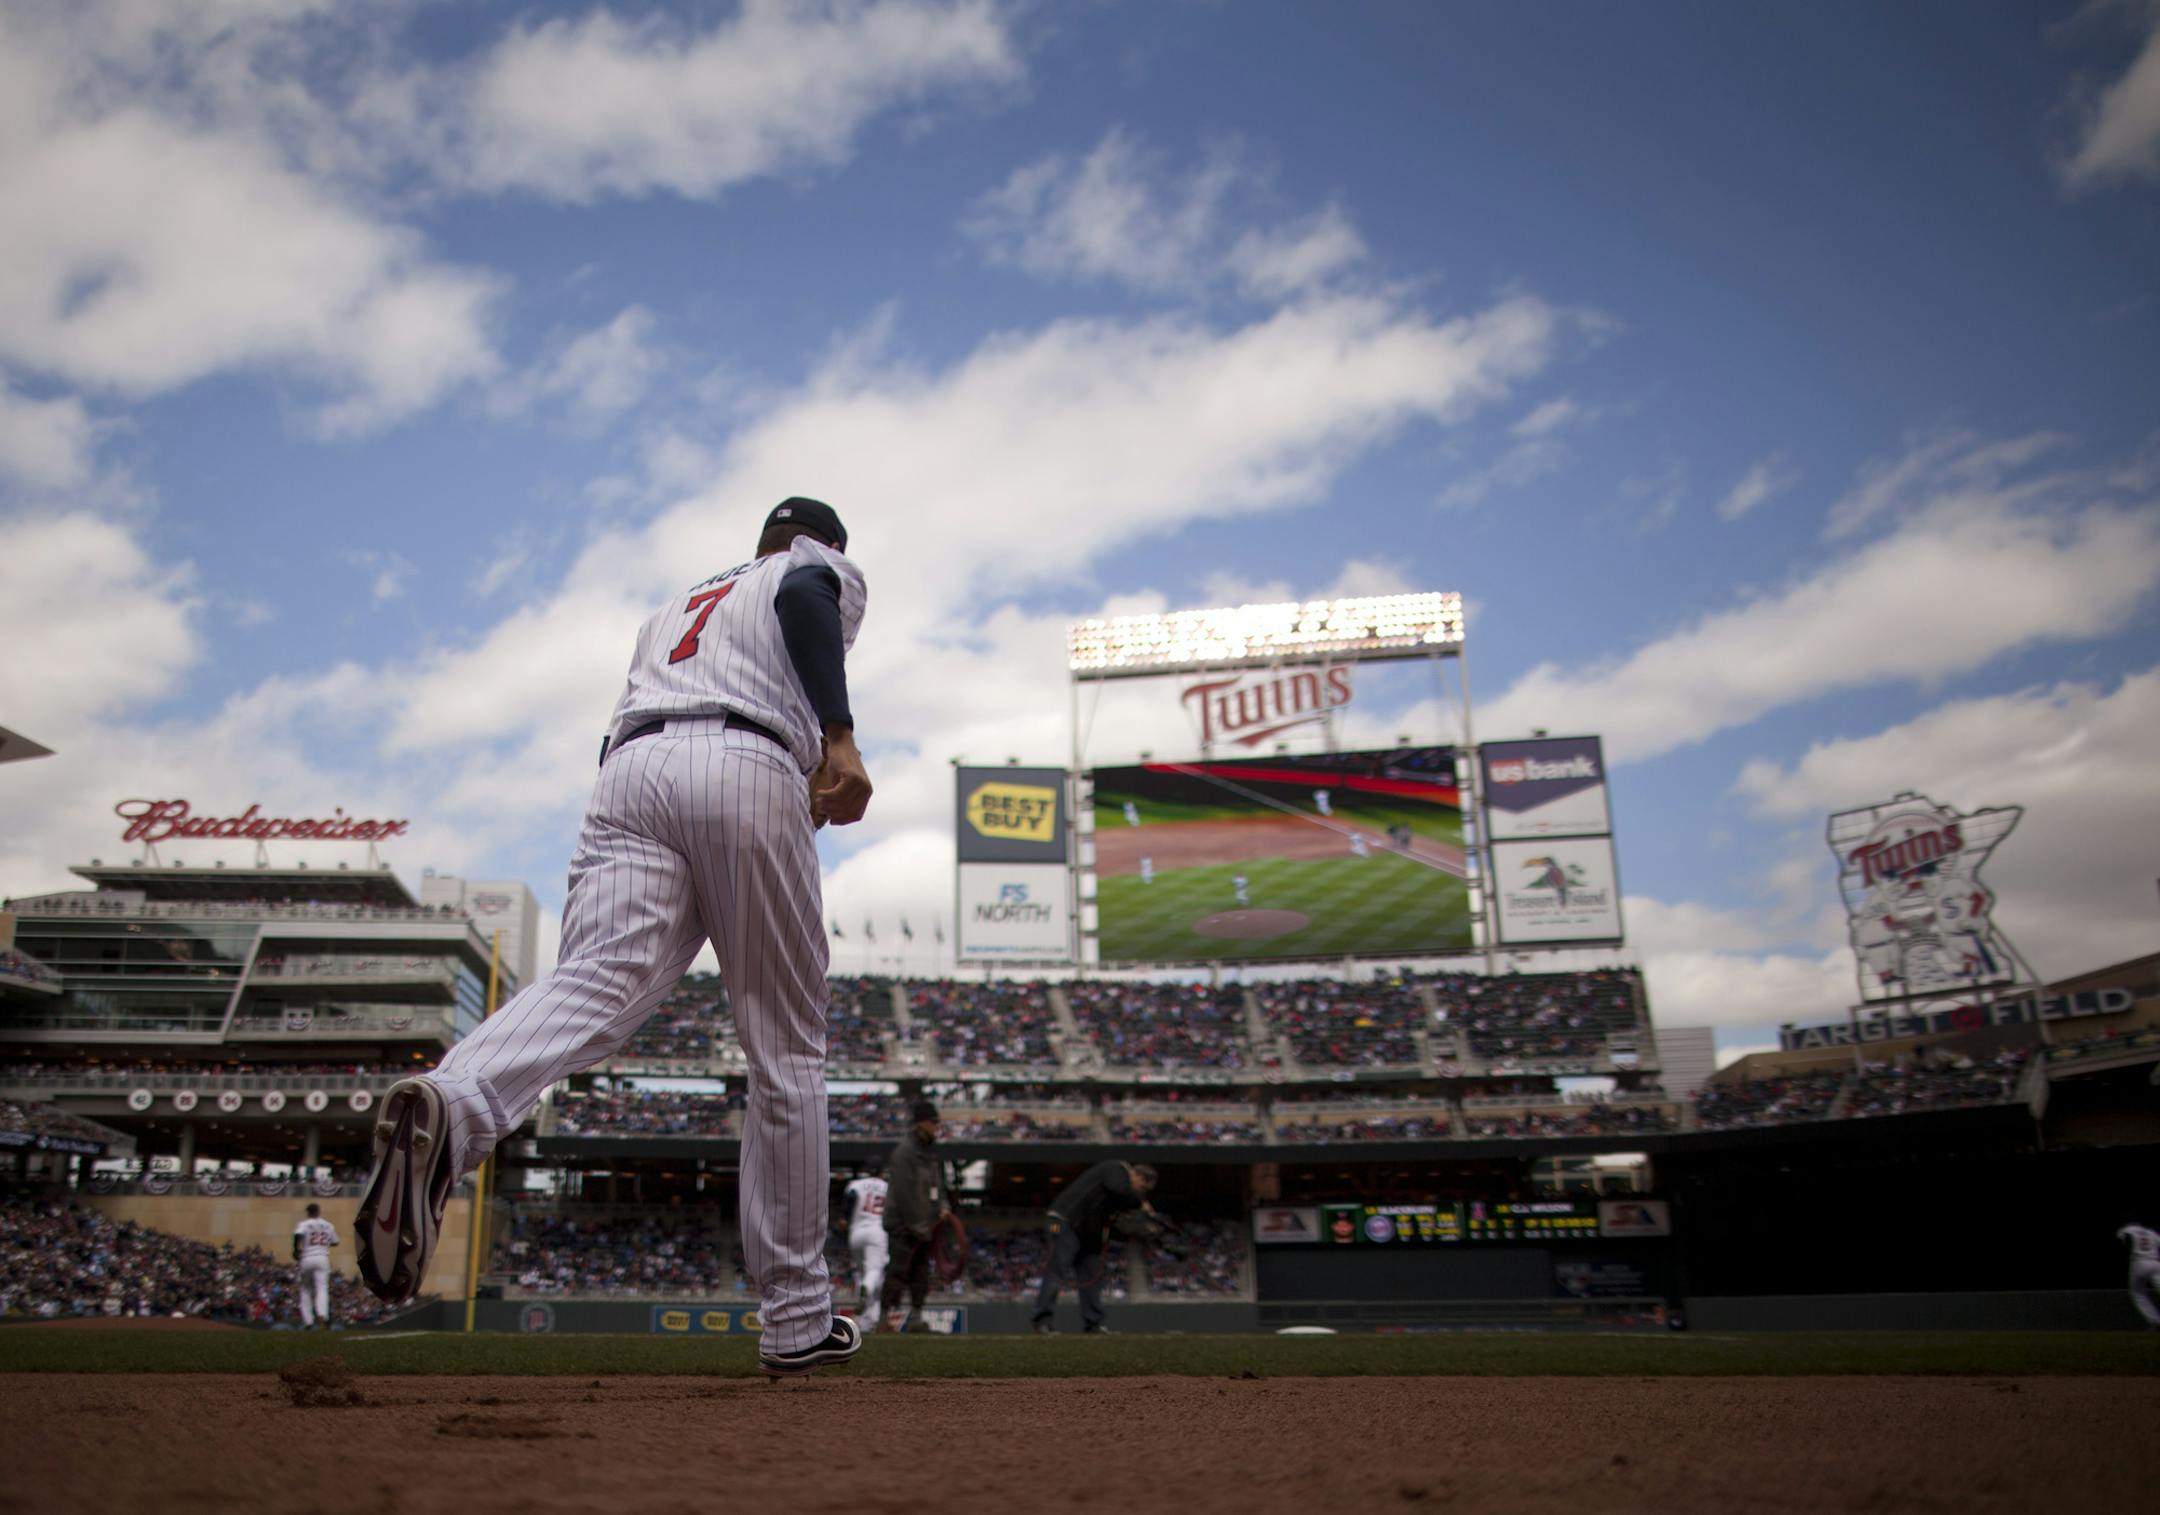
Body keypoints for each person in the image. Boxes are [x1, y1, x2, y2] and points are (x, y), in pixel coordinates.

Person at [353, 497, 873, 1379]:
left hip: (629, 773)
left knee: (595, 980)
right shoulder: (810, 568)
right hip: (743, 760)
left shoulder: (676, 607)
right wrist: (836, 737)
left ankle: (460, 1099)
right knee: (787, 1049)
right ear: (818, 541)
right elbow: (807, 597)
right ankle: (794, 1319)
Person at [1031, 1160, 1157, 1334]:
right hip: (1063, 1221)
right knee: (1057, 1268)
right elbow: (1117, 1188)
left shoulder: (1119, 1198)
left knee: (1092, 1276)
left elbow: (1111, 1220)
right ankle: (1042, 1321)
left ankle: (1093, 1324)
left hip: (1087, 1232)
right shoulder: (1117, 1168)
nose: (1140, 1193)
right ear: (1138, 1176)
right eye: (1142, 1188)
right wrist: (1140, 1203)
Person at [879, 1100, 948, 1332]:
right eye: (934, 1123)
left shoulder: (928, 1154)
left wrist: (942, 1206)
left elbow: (937, 1186)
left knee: (920, 1273)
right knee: (897, 1271)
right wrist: (919, 1226)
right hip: (903, 1225)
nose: (937, 1128)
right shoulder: (904, 1153)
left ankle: (917, 1317)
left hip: (924, 1225)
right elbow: (905, 1193)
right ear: (922, 1123)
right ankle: (884, 1318)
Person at [840, 1169, 890, 1330]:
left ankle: (866, 1321)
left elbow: (849, 1202)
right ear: (881, 1172)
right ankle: (866, 1290)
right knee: (875, 1272)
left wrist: (843, 1219)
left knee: (861, 1274)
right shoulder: (886, 1186)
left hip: (856, 1232)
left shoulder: (856, 1184)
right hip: (877, 1231)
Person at [292, 1202, 338, 1330]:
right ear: (318, 1212)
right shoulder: (328, 1225)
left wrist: (295, 1250)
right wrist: (324, 1244)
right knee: (322, 1288)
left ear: (308, 1213)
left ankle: (308, 1321)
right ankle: (322, 1314)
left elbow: (298, 1235)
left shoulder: (304, 1224)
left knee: (305, 1289)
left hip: (307, 1257)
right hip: (322, 1258)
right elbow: (335, 1242)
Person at [2120, 1222, 2160, 1327]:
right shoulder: (2152, 1233)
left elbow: (2124, 1240)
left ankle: (2155, 1321)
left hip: (2138, 1262)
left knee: (2137, 1293)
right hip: (2155, 1263)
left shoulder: (2129, 1228)